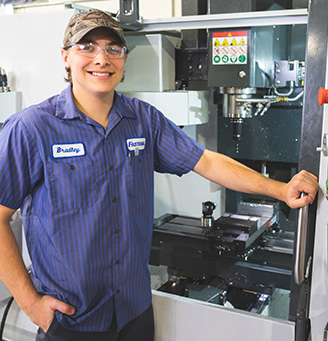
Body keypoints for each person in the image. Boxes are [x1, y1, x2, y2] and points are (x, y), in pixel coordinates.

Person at [0, 8, 318, 341]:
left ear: (124, 59)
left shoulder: (142, 120)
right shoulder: (31, 130)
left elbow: (205, 161)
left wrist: (281, 190)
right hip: (72, 321)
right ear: (65, 57)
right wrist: (31, 303)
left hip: (134, 314)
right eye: (87, 47)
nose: (101, 58)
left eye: (113, 48)